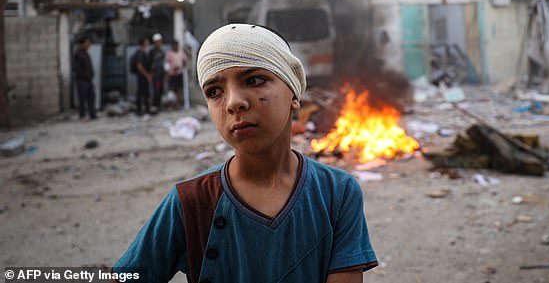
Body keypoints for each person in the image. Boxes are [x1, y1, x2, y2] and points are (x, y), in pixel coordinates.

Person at [114, 24, 378, 283]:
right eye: (215, 91)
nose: (233, 103)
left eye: (255, 80)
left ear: (294, 94)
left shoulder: (337, 193)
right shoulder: (191, 201)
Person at [72, 36, 97, 121]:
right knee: (82, 98)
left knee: (91, 97)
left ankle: (92, 115)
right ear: (81, 44)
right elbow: (76, 68)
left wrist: (91, 75)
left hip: (89, 79)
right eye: (87, 43)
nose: (89, 45)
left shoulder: (86, 53)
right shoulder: (77, 54)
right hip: (82, 80)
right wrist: (84, 75)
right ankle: (82, 116)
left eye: (89, 43)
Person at [132, 37, 152, 116]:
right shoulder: (140, 52)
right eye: (146, 42)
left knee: (143, 92)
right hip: (142, 76)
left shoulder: (142, 52)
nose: (148, 43)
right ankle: (141, 109)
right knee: (142, 93)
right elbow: (139, 65)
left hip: (143, 76)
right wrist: (146, 74)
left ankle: (143, 109)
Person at [166, 40, 188, 108]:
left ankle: (177, 103)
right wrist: (169, 72)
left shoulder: (181, 53)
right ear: (172, 46)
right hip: (172, 74)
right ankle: (171, 104)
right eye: (175, 46)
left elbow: (185, 61)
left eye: (177, 45)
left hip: (179, 73)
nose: (176, 47)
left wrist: (181, 66)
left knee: (178, 89)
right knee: (171, 89)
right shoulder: (169, 53)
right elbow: (167, 64)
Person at [148, 33, 166, 112]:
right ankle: (154, 105)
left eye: (160, 41)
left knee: (161, 90)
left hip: (161, 74)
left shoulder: (162, 51)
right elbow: (149, 63)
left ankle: (159, 105)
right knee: (156, 90)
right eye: (158, 42)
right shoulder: (152, 52)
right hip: (155, 75)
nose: (159, 43)